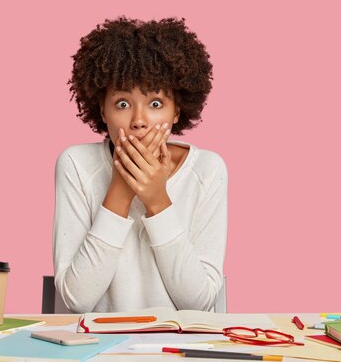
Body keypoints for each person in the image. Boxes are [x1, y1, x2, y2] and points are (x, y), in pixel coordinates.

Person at [53, 16, 227, 313]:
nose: (139, 121)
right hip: (100, 350)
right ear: (103, 111)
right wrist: (121, 188)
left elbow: (199, 303)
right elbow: (76, 300)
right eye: (122, 103)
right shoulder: (76, 164)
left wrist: (157, 201)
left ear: (176, 111)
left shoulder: (208, 171)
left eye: (156, 104)